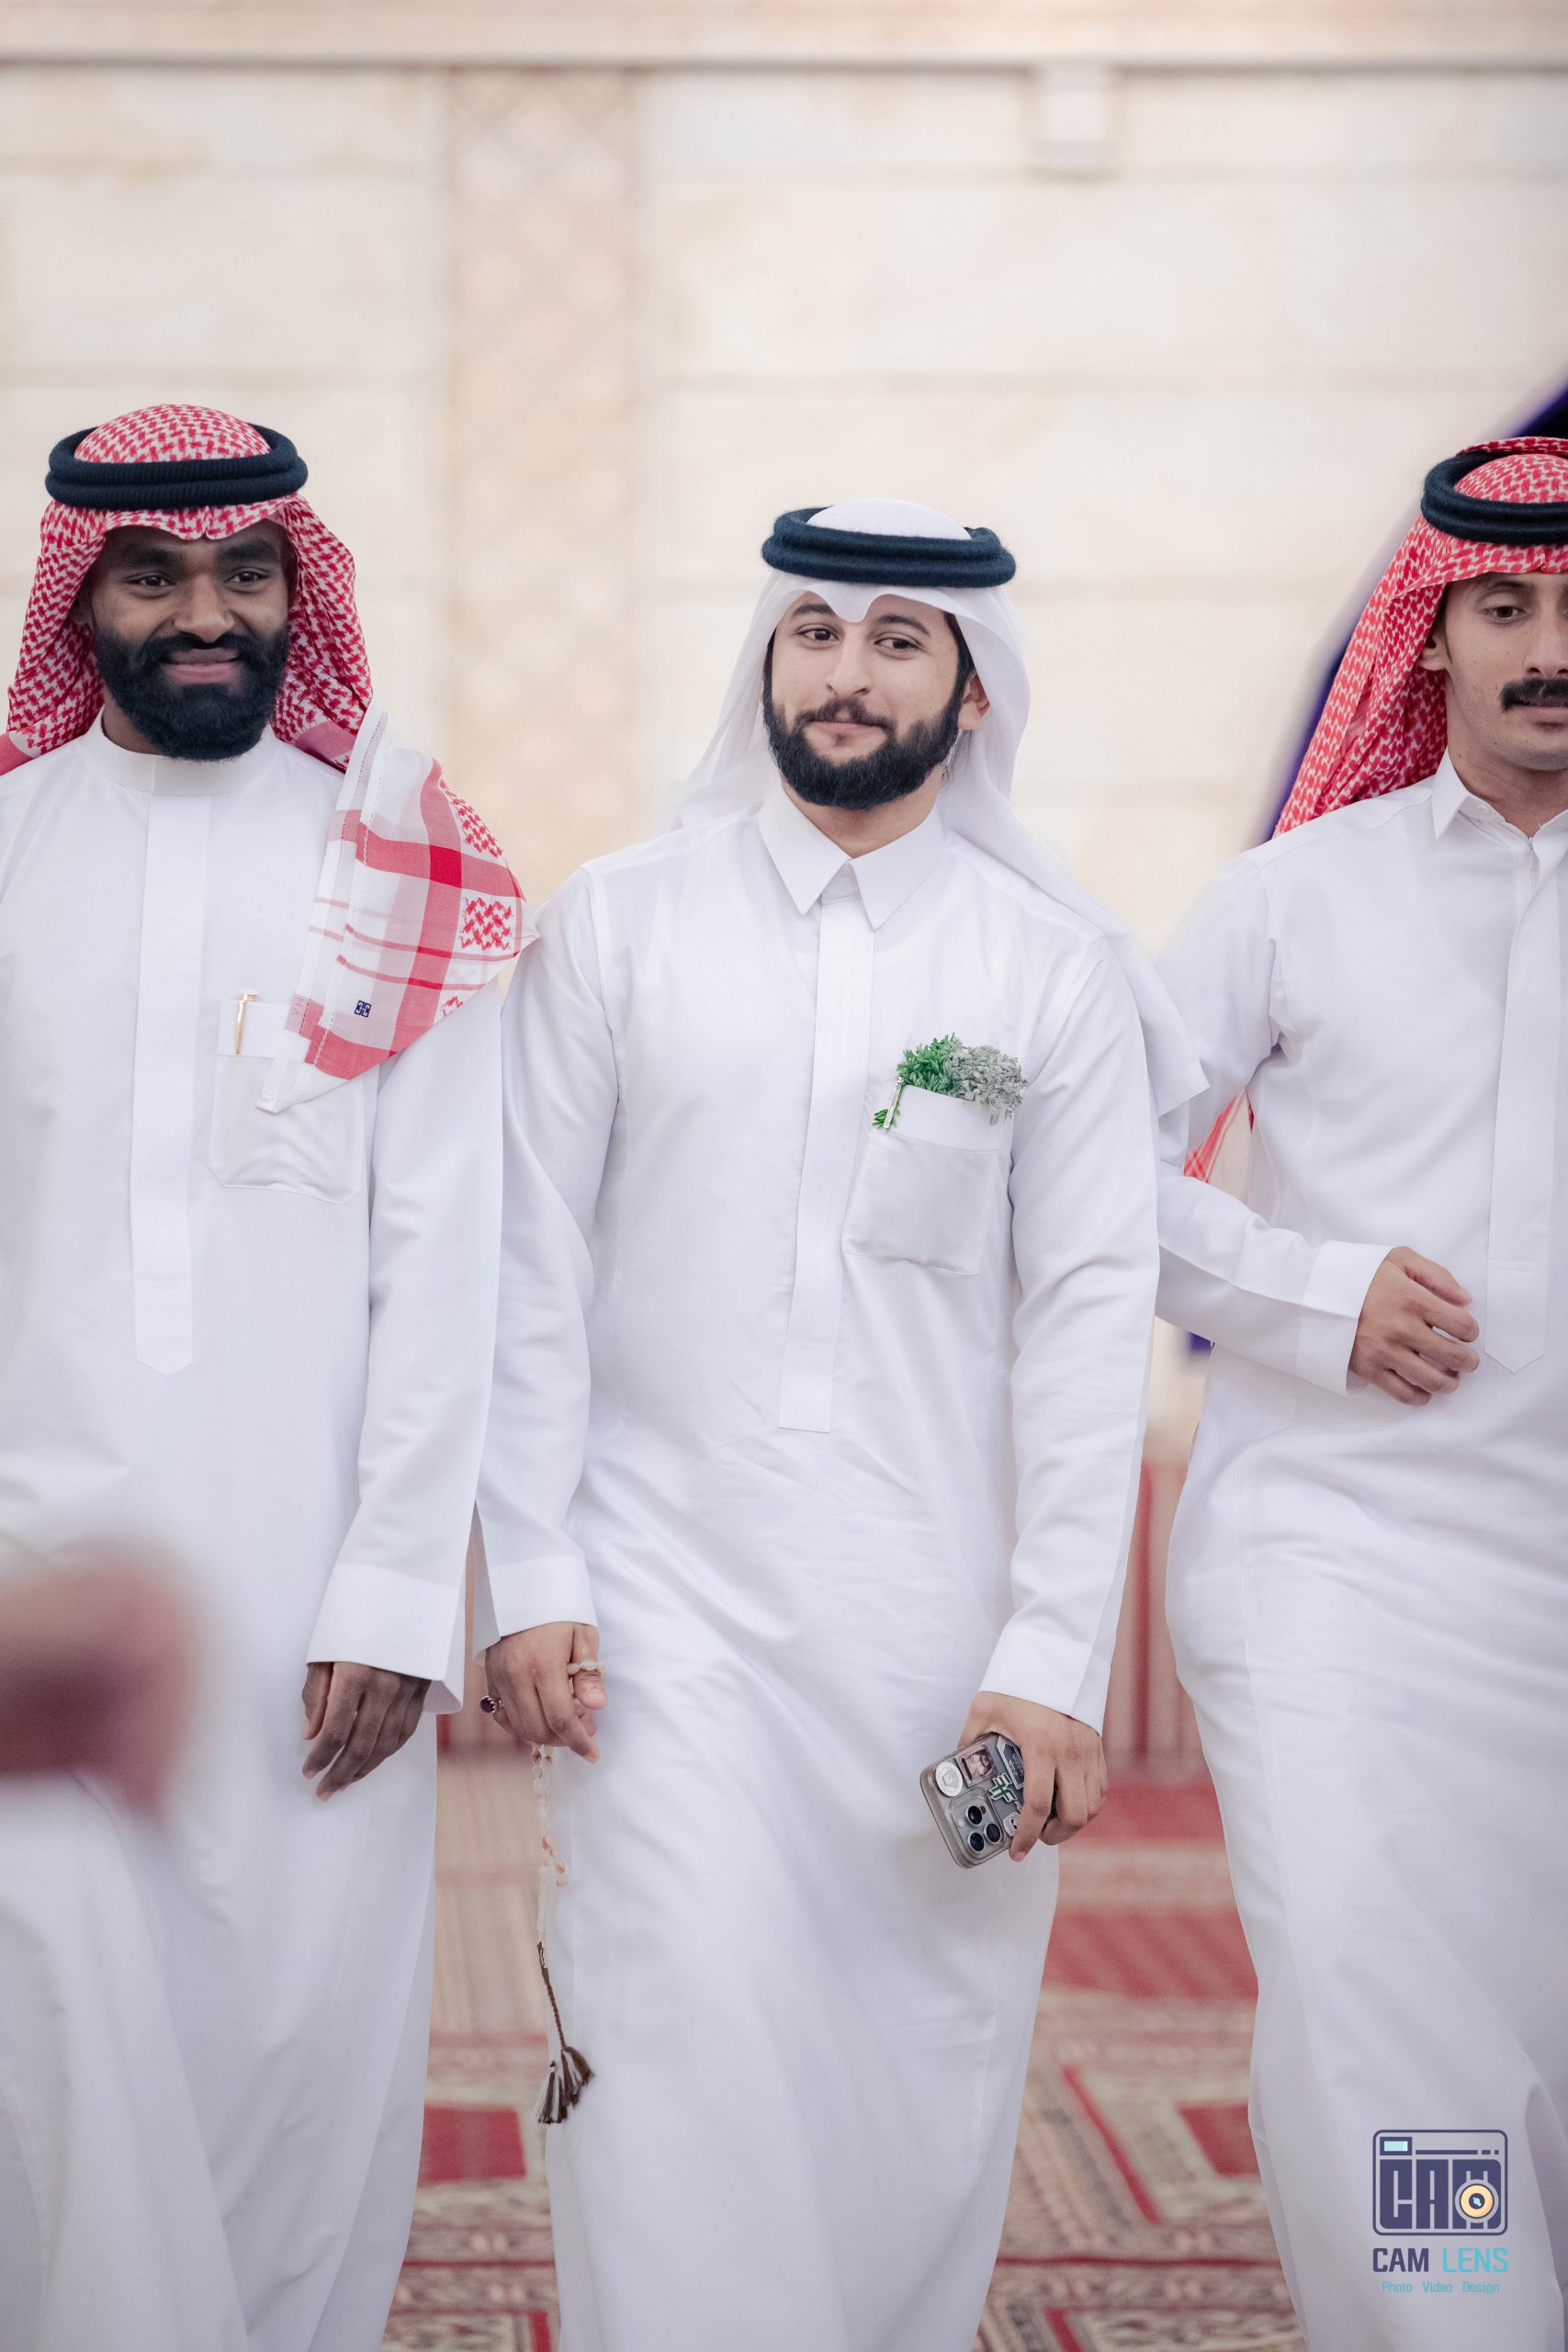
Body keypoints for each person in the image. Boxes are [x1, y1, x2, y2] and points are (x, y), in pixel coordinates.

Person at [478, 499, 1198, 2352]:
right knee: (667, 2043)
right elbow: (529, 1265)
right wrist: (532, 1566)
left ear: (972, 689)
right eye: (814, 632)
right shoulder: (616, 924)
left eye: (896, 638)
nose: (849, 672)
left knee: (914, 2076)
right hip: (660, 1613)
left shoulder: (1050, 971)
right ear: (765, 665)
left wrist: (1049, 1653)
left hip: (930, 1630)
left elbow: (1083, 1321)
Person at [0, 405, 521, 2352]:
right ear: (82, 598)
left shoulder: (393, 859)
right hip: (34, 1580)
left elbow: (447, 1252)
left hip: (311, 1576)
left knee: (298, 2049)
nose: (205, 612)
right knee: (49, 2045)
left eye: (244, 573)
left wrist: (395, 1587)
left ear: (302, 595)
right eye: (154, 575)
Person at [1156, 437, 1568, 2348]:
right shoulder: (1290, 897)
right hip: (1340, 1560)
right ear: (1428, 639)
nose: (1545, 648)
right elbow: (1082, 1175)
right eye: (1502, 606)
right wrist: (1308, 1293)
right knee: (1398, 2031)